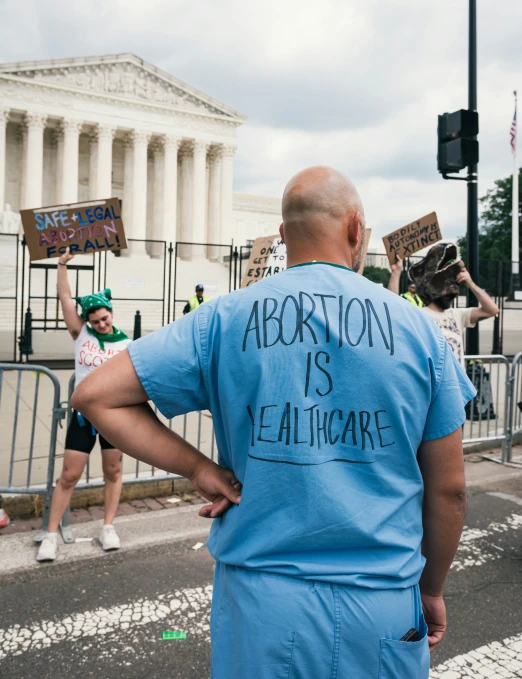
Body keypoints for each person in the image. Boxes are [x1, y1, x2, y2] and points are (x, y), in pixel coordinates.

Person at [73, 167, 475, 679]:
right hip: (382, 601)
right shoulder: (420, 332)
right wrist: (432, 589)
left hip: (261, 603)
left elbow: (94, 395)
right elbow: (449, 491)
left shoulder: (223, 318)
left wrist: (198, 469)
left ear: (284, 236)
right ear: (356, 230)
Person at [36, 247, 130, 562]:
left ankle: (107, 527)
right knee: (69, 474)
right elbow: (65, 299)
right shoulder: (82, 334)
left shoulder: (126, 343)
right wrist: (61, 265)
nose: (101, 324)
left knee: (113, 470)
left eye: (104, 319)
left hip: (115, 418)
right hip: (84, 418)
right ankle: (50, 535)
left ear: (111, 313)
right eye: (95, 321)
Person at [388, 244, 499, 368]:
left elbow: (492, 310)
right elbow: (392, 311)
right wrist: (396, 273)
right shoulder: (420, 315)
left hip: (455, 385)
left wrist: (470, 284)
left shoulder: (457, 315)